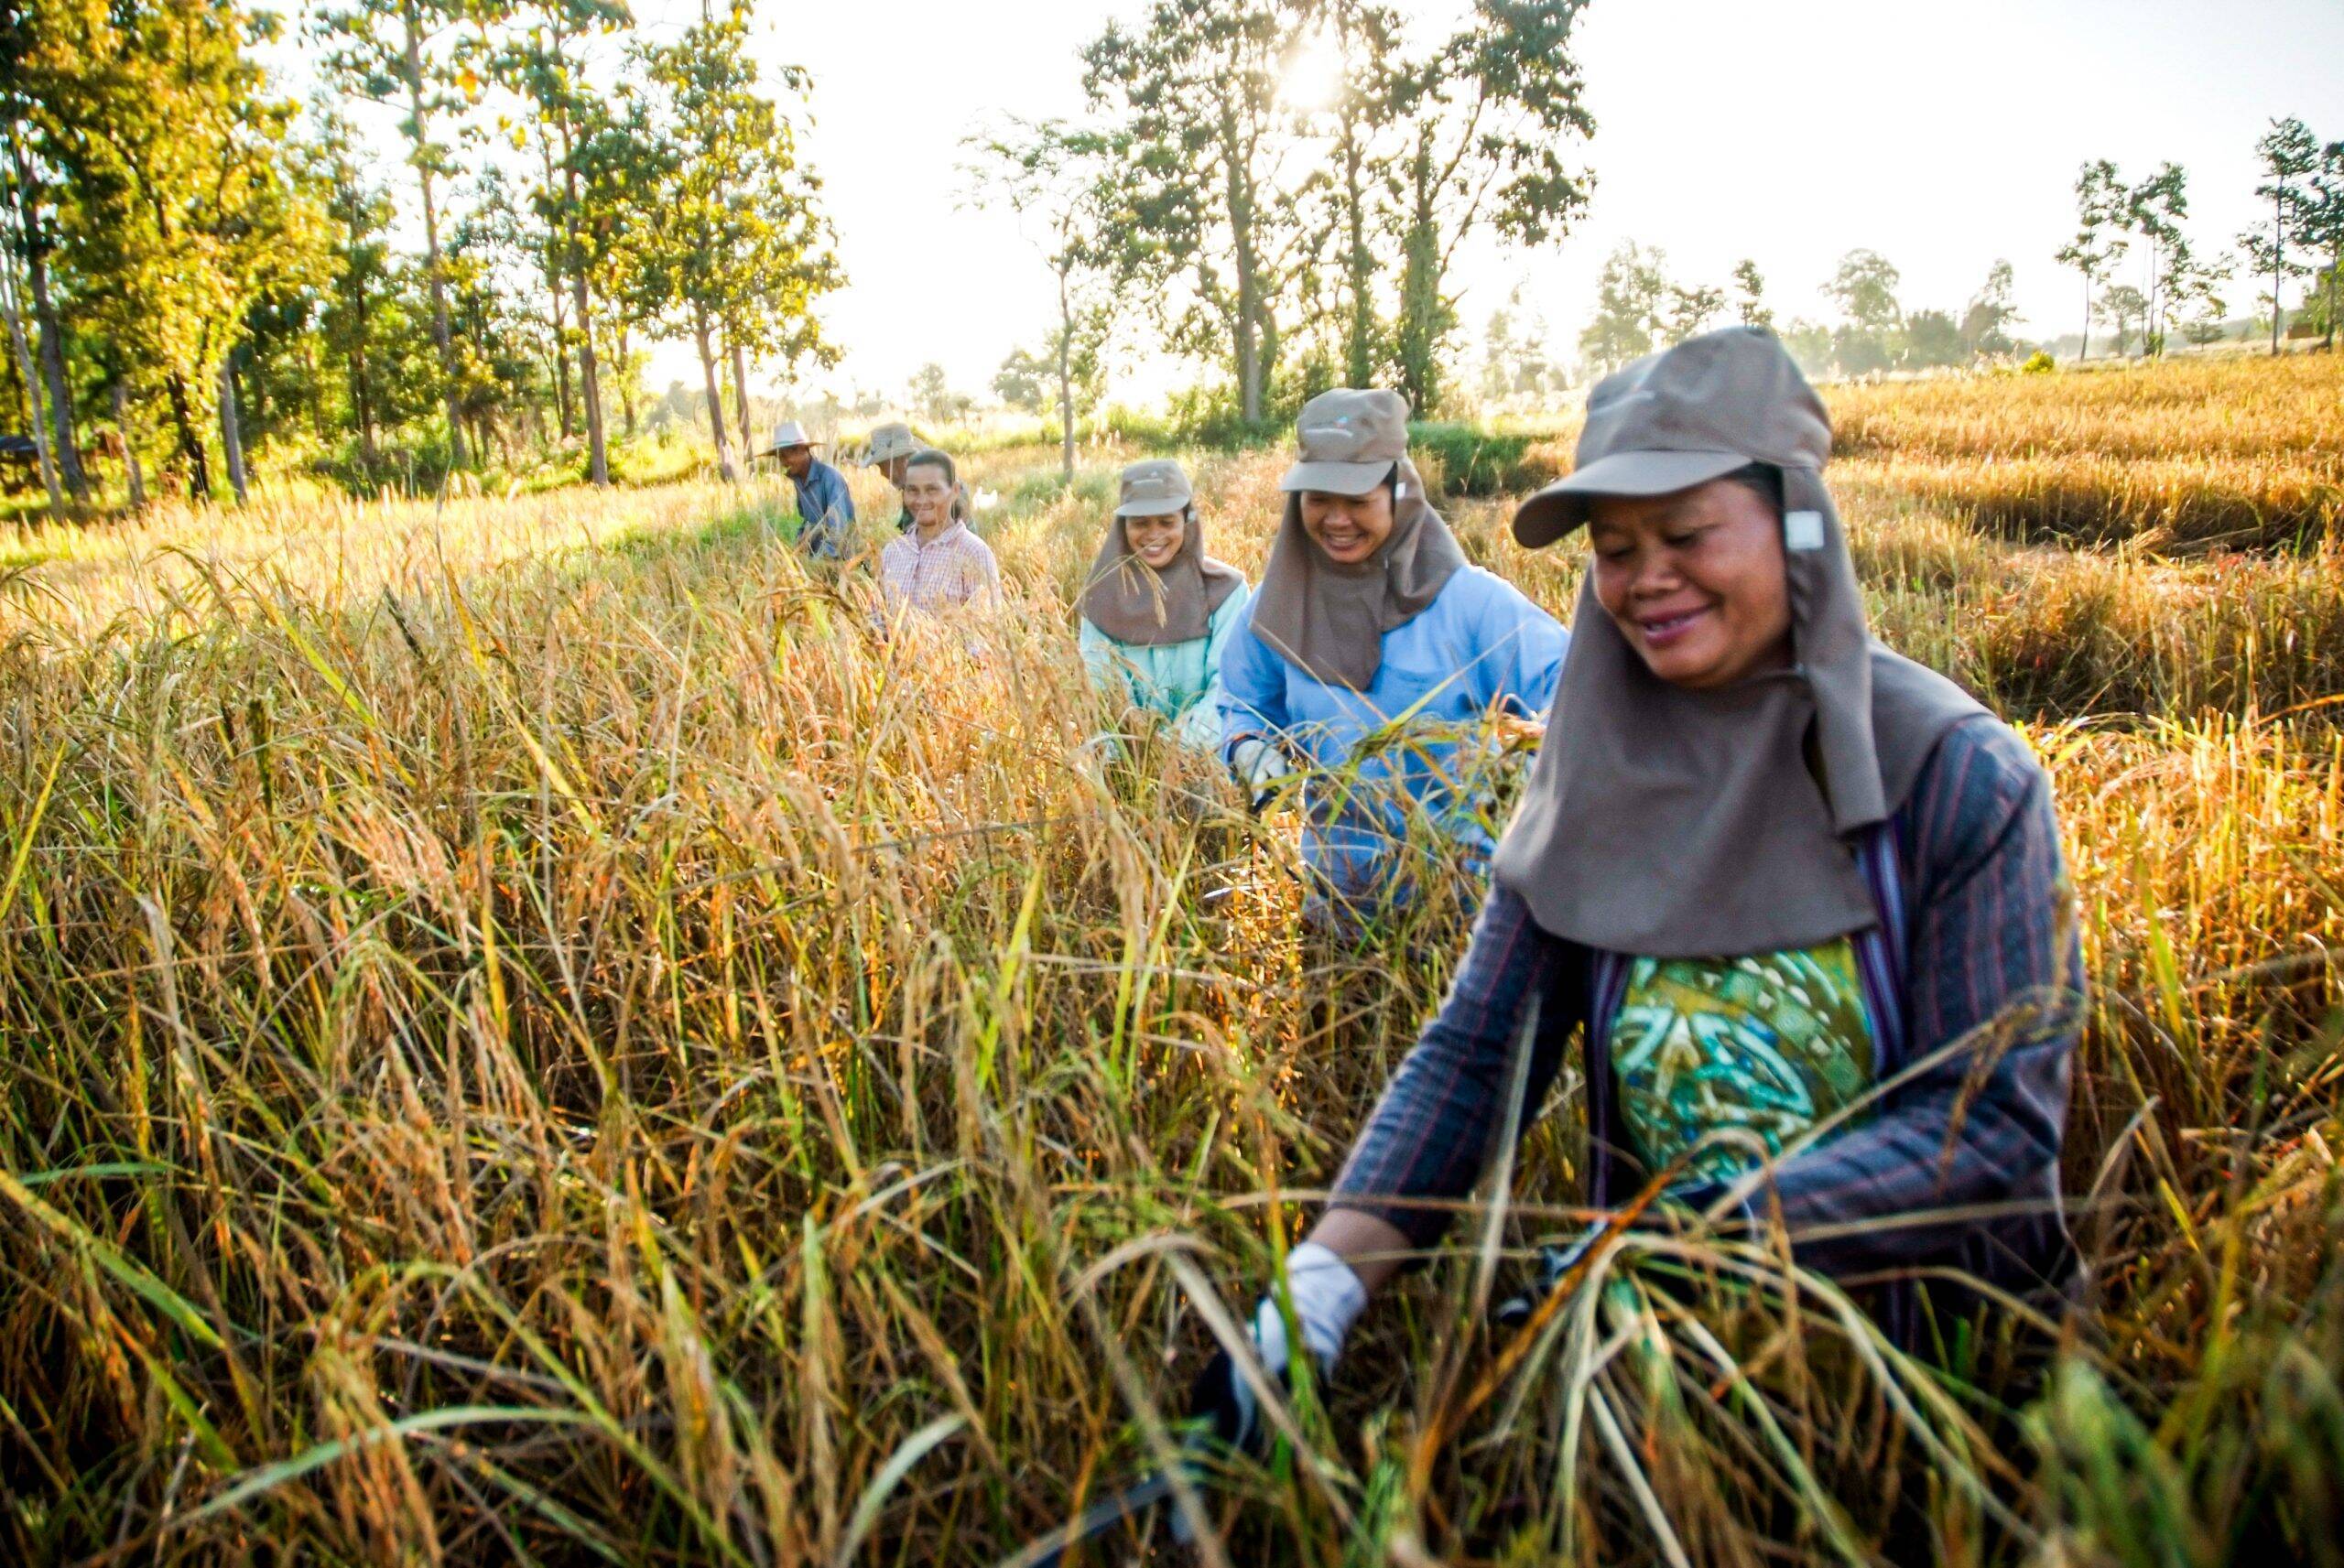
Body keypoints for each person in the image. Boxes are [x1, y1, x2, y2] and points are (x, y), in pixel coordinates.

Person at [1190, 328, 2085, 1452]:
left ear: (1798, 525)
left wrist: (1686, 1240)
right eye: (1614, 548)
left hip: (1942, 1412)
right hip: (1670, 1411)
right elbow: (1478, 1052)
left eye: (1687, 532)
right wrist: (1323, 1280)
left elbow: (1988, 1133)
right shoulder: (1594, 774)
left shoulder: (1957, 779)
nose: (1645, 576)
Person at [1216, 388, 1566, 919]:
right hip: (1337, 902)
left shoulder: (1468, 601)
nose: (1336, 519)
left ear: (1400, 494)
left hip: (1460, 905)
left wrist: (1529, 782)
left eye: (1357, 500)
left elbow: (1570, 687)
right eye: (1317, 498)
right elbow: (1244, 701)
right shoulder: (1280, 606)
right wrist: (1248, 747)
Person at [1078, 460, 1251, 752]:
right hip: (1125, 763)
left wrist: (1171, 751)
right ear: (1123, 527)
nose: (1153, 534)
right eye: (1140, 522)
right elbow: (1101, 691)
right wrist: (1134, 759)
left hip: (1208, 759)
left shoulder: (1227, 591)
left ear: (1187, 521)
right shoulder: (1100, 597)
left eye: (1167, 522)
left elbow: (1229, 686)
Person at [878, 449, 1001, 622]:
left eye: (932, 490)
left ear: (955, 491)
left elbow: (985, 631)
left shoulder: (974, 553)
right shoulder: (892, 552)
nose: (921, 500)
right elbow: (878, 619)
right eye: (912, 490)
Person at [765, 420, 855, 559]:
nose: (783, 463)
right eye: (779, 458)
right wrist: (799, 542)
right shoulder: (799, 480)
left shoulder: (830, 478)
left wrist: (815, 564)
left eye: (785, 456)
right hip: (817, 559)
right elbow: (809, 521)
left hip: (842, 562)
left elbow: (838, 531)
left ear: (801, 449)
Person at [860, 420, 921, 531]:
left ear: (902, 461)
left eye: (883, 467)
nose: (882, 474)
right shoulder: (911, 488)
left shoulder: (928, 491)